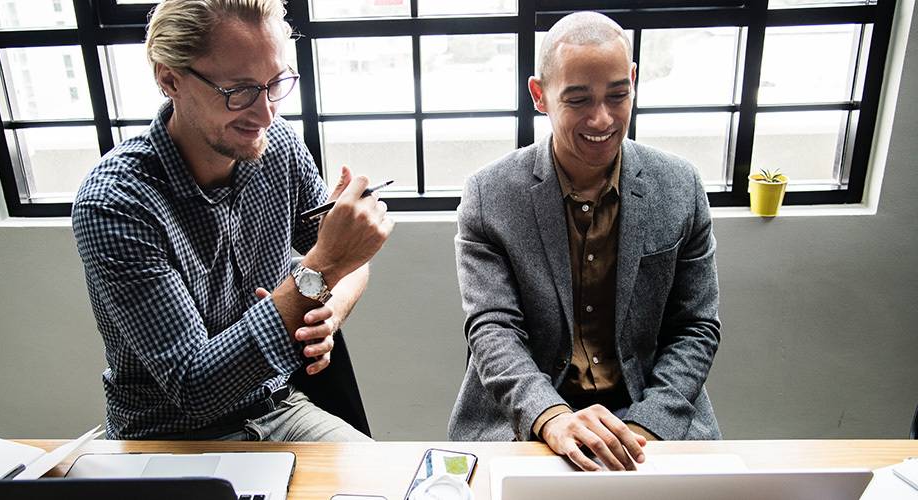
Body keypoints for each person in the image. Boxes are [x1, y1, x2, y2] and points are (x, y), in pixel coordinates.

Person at [71, 0, 393, 441]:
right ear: (170, 79)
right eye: (238, 91)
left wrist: (329, 314)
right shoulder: (115, 203)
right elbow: (196, 389)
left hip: (279, 405)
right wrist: (323, 267)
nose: (265, 114)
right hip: (168, 435)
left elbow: (345, 259)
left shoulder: (276, 145)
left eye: (275, 84)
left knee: (389, 483)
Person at [448, 11, 722, 470]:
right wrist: (551, 416)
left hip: (650, 411)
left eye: (618, 95)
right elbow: (492, 329)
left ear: (634, 80)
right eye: (578, 100)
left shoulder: (680, 185)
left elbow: (696, 326)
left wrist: (641, 429)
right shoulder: (488, 195)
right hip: (533, 414)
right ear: (540, 95)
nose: (603, 118)